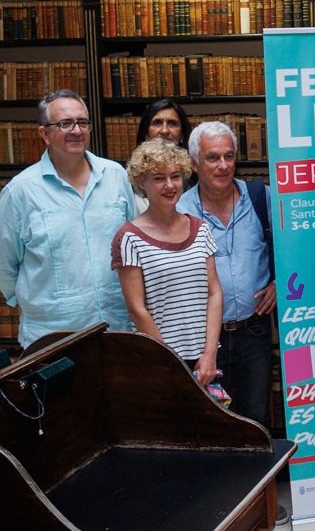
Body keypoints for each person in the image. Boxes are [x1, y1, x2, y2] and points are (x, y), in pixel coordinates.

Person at [0, 89, 136, 348]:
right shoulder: (20, 192)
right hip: (53, 336)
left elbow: (134, 245)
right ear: (44, 134)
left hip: (118, 328)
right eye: (65, 123)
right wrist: (36, 302)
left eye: (82, 122)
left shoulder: (115, 176)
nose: (76, 131)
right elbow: (2, 266)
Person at [179, 121, 278, 428]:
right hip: (205, 338)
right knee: (214, 424)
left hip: (255, 332)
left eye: (229, 156)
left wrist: (278, 283)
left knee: (256, 419)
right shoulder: (180, 210)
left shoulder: (262, 198)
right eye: (212, 158)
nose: (223, 165)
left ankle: (262, 478)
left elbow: (296, 248)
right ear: (194, 163)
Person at [112, 138, 222, 384]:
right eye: (159, 178)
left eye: (175, 176)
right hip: (159, 362)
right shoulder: (129, 237)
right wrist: (171, 363)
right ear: (142, 182)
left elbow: (214, 292)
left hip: (204, 361)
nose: (170, 185)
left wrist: (210, 353)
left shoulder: (201, 229)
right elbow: (136, 309)